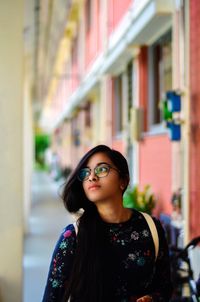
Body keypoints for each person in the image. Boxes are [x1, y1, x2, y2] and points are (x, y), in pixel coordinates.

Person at [42, 145, 172, 302]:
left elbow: (165, 287)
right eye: (85, 173)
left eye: (101, 169)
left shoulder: (151, 228)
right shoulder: (73, 236)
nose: (92, 177)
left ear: (123, 181)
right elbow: (52, 297)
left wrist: (152, 298)